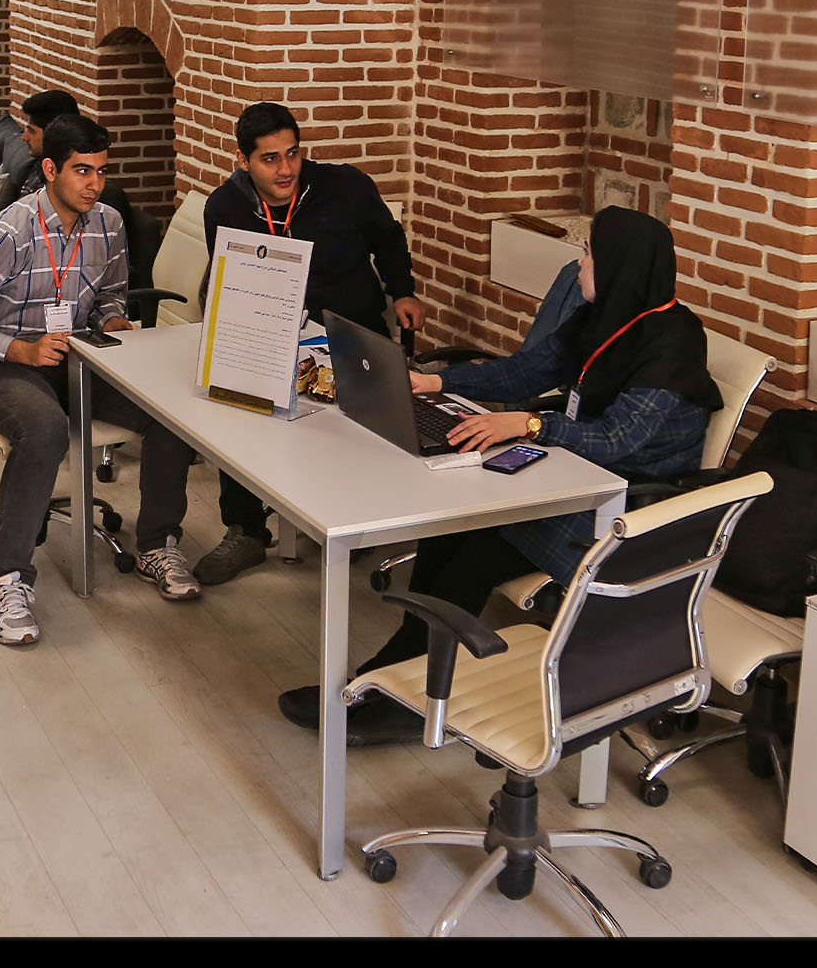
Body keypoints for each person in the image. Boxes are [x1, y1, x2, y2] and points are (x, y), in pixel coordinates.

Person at [277, 206, 725, 742]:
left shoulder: (673, 345)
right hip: (574, 477)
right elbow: (526, 370)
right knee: (449, 527)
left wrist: (532, 423)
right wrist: (436, 383)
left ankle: (402, 697)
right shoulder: (607, 316)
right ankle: (400, 678)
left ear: (619, 266)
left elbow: (618, 439)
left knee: (476, 542)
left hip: (624, 510)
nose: (579, 264)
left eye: (588, 254)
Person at [0, 114, 202, 644]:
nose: (94, 184)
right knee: (45, 429)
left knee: (170, 413)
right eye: (82, 171)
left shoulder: (108, 223)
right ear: (51, 169)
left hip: (74, 356)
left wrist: (113, 319)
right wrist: (22, 349)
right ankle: (8, 577)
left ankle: (156, 545)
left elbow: (110, 295)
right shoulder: (10, 232)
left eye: (101, 171)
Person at [192, 101, 427, 586]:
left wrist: (402, 290)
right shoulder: (224, 207)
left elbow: (388, 240)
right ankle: (246, 531)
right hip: (270, 335)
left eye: (292, 154)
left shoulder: (345, 186)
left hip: (350, 334)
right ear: (243, 161)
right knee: (237, 411)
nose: (286, 169)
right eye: (270, 159)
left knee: (356, 430)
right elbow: (228, 277)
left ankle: (348, 518)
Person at [0, 89, 80, 222]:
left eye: (31, 131)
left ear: (54, 135)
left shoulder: (67, 185)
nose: (24, 137)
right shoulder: (40, 166)